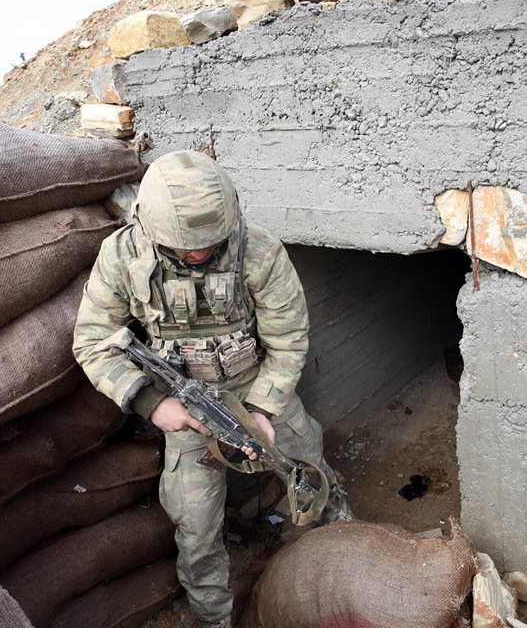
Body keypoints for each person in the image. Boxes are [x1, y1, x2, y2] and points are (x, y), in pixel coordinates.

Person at [72, 149, 349, 628]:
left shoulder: (258, 250)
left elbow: (288, 342)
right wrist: (152, 403)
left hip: (256, 390)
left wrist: (262, 409)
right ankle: (215, 618)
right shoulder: (122, 257)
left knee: (310, 473)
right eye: (184, 248)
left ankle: (348, 568)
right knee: (195, 529)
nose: (198, 255)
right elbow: (93, 342)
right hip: (183, 409)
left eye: (208, 244)